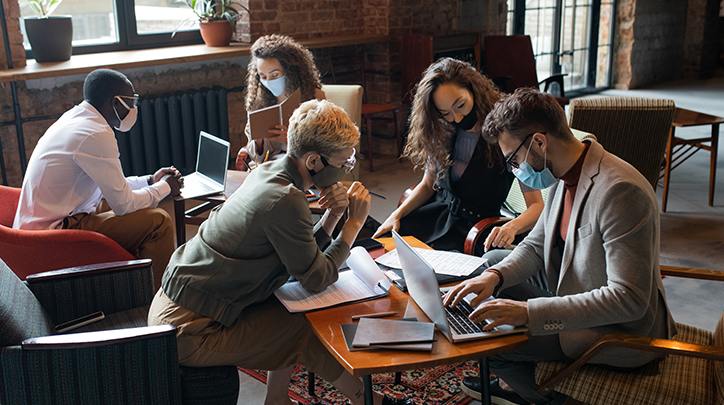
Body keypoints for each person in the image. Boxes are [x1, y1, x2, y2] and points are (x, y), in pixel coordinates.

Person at [148, 100, 411, 405]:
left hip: (181, 305)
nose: (347, 169)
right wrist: (352, 224)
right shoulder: (285, 199)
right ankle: (367, 401)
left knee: (294, 310)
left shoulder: (270, 170)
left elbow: (300, 254)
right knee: (301, 329)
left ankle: (280, 400)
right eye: (344, 163)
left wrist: (333, 216)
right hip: (188, 331)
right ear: (314, 161)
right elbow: (316, 277)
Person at [443, 88, 677, 405]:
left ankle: (552, 397)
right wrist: (494, 277)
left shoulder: (620, 192)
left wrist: (529, 313)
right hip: (578, 287)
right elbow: (537, 246)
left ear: (539, 142)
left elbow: (629, 300)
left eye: (513, 159)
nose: (514, 171)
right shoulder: (562, 172)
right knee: (493, 261)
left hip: (620, 331)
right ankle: (529, 374)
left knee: (486, 346)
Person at [13, 68, 182, 289]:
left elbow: (108, 187)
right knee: (158, 221)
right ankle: (159, 297)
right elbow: (124, 204)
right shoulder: (94, 133)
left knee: (136, 205)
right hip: (51, 234)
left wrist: (150, 181)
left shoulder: (76, 118)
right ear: (115, 102)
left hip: (53, 217)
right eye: (132, 101)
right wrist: (165, 188)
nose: (134, 108)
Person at [373, 58, 543, 256]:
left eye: (460, 105)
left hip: (473, 229)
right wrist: (396, 214)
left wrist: (512, 227)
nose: (457, 118)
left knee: (428, 268)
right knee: (383, 247)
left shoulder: (505, 134)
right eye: (446, 113)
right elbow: (428, 186)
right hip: (437, 214)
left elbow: (537, 206)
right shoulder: (443, 129)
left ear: (474, 90)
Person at [243, 34, 326, 169]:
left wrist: (290, 143)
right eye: (263, 76)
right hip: (270, 166)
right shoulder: (257, 102)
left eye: (274, 75)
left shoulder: (315, 98)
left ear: (290, 71)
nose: (268, 81)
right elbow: (256, 158)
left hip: (303, 167)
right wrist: (257, 140)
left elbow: (324, 148)